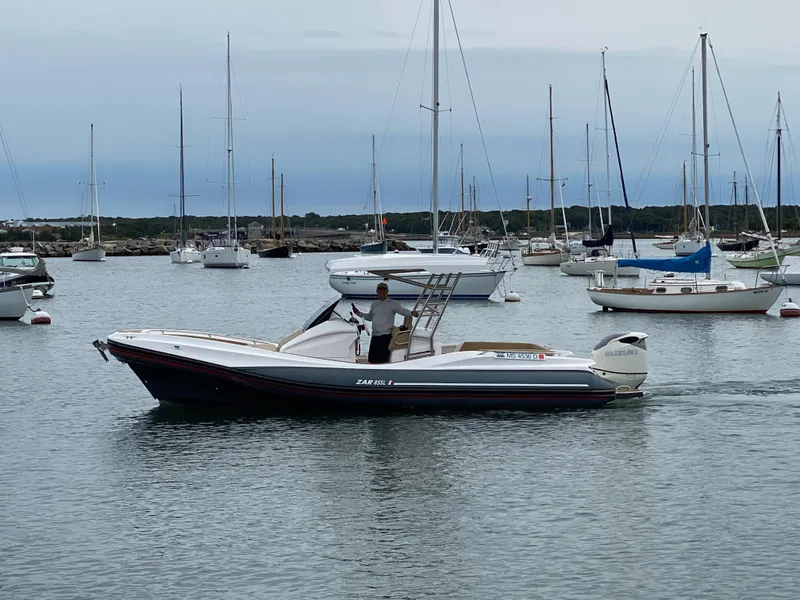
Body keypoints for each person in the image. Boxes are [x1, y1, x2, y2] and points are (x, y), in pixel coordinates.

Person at [352, 282, 420, 364]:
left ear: (387, 291)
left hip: (385, 336)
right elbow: (369, 317)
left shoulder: (392, 303)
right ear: (376, 291)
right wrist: (357, 313)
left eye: (384, 289)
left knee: (382, 360)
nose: (382, 290)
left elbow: (403, 311)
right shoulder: (374, 304)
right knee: (372, 359)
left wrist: (412, 313)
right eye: (380, 289)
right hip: (375, 336)